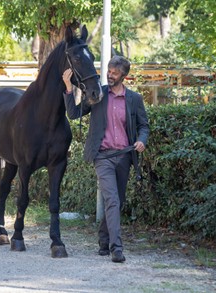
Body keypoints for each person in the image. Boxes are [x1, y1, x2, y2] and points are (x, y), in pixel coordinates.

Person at [62, 55, 150, 263]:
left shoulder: (134, 99)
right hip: (102, 156)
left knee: (116, 203)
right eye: (109, 71)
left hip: (125, 157)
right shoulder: (98, 94)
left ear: (124, 76)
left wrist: (141, 140)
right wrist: (68, 87)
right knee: (111, 200)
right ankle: (116, 248)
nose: (109, 75)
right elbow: (74, 114)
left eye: (114, 73)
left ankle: (103, 240)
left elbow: (143, 126)